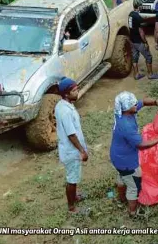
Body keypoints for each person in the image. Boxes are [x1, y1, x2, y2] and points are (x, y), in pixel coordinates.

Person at [110, 91, 158, 217]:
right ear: (127, 108)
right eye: (133, 104)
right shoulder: (126, 126)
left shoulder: (122, 112)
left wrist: (156, 101)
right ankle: (132, 212)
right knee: (134, 185)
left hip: (117, 155)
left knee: (122, 177)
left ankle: (121, 198)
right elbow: (141, 145)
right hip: (126, 160)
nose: (136, 105)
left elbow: (142, 102)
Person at [55, 77, 89, 215]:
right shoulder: (65, 111)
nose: (77, 92)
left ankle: (74, 197)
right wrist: (82, 151)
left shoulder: (63, 105)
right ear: (66, 94)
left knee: (73, 177)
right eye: (74, 90)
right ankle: (71, 208)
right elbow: (71, 134)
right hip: (71, 151)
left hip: (69, 149)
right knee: (72, 179)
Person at [128, 0, 158, 80]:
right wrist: (145, 42)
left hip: (132, 41)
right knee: (148, 57)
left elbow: (135, 24)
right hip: (139, 42)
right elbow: (141, 32)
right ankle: (150, 74)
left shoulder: (131, 15)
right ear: (139, 7)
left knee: (135, 58)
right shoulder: (138, 17)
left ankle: (136, 74)